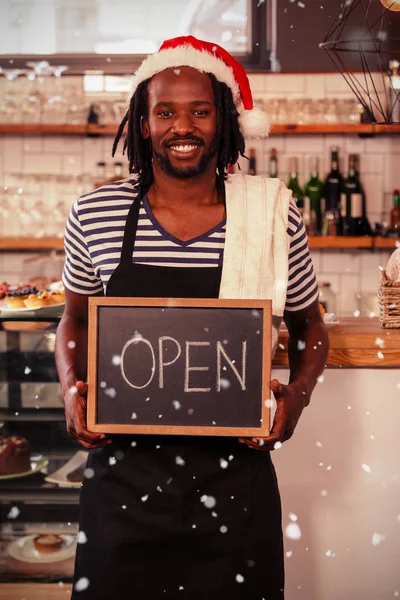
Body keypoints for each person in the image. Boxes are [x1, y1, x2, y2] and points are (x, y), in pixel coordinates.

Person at [55, 35, 329, 599]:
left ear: (225, 120)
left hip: (234, 485)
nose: (183, 127)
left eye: (200, 110)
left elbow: (311, 326)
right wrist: (70, 391)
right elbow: (74, 321)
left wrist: (294, 399)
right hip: (123, 485)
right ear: (142, 123)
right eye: (165, 112)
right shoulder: (96, 213)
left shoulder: (272, 215)